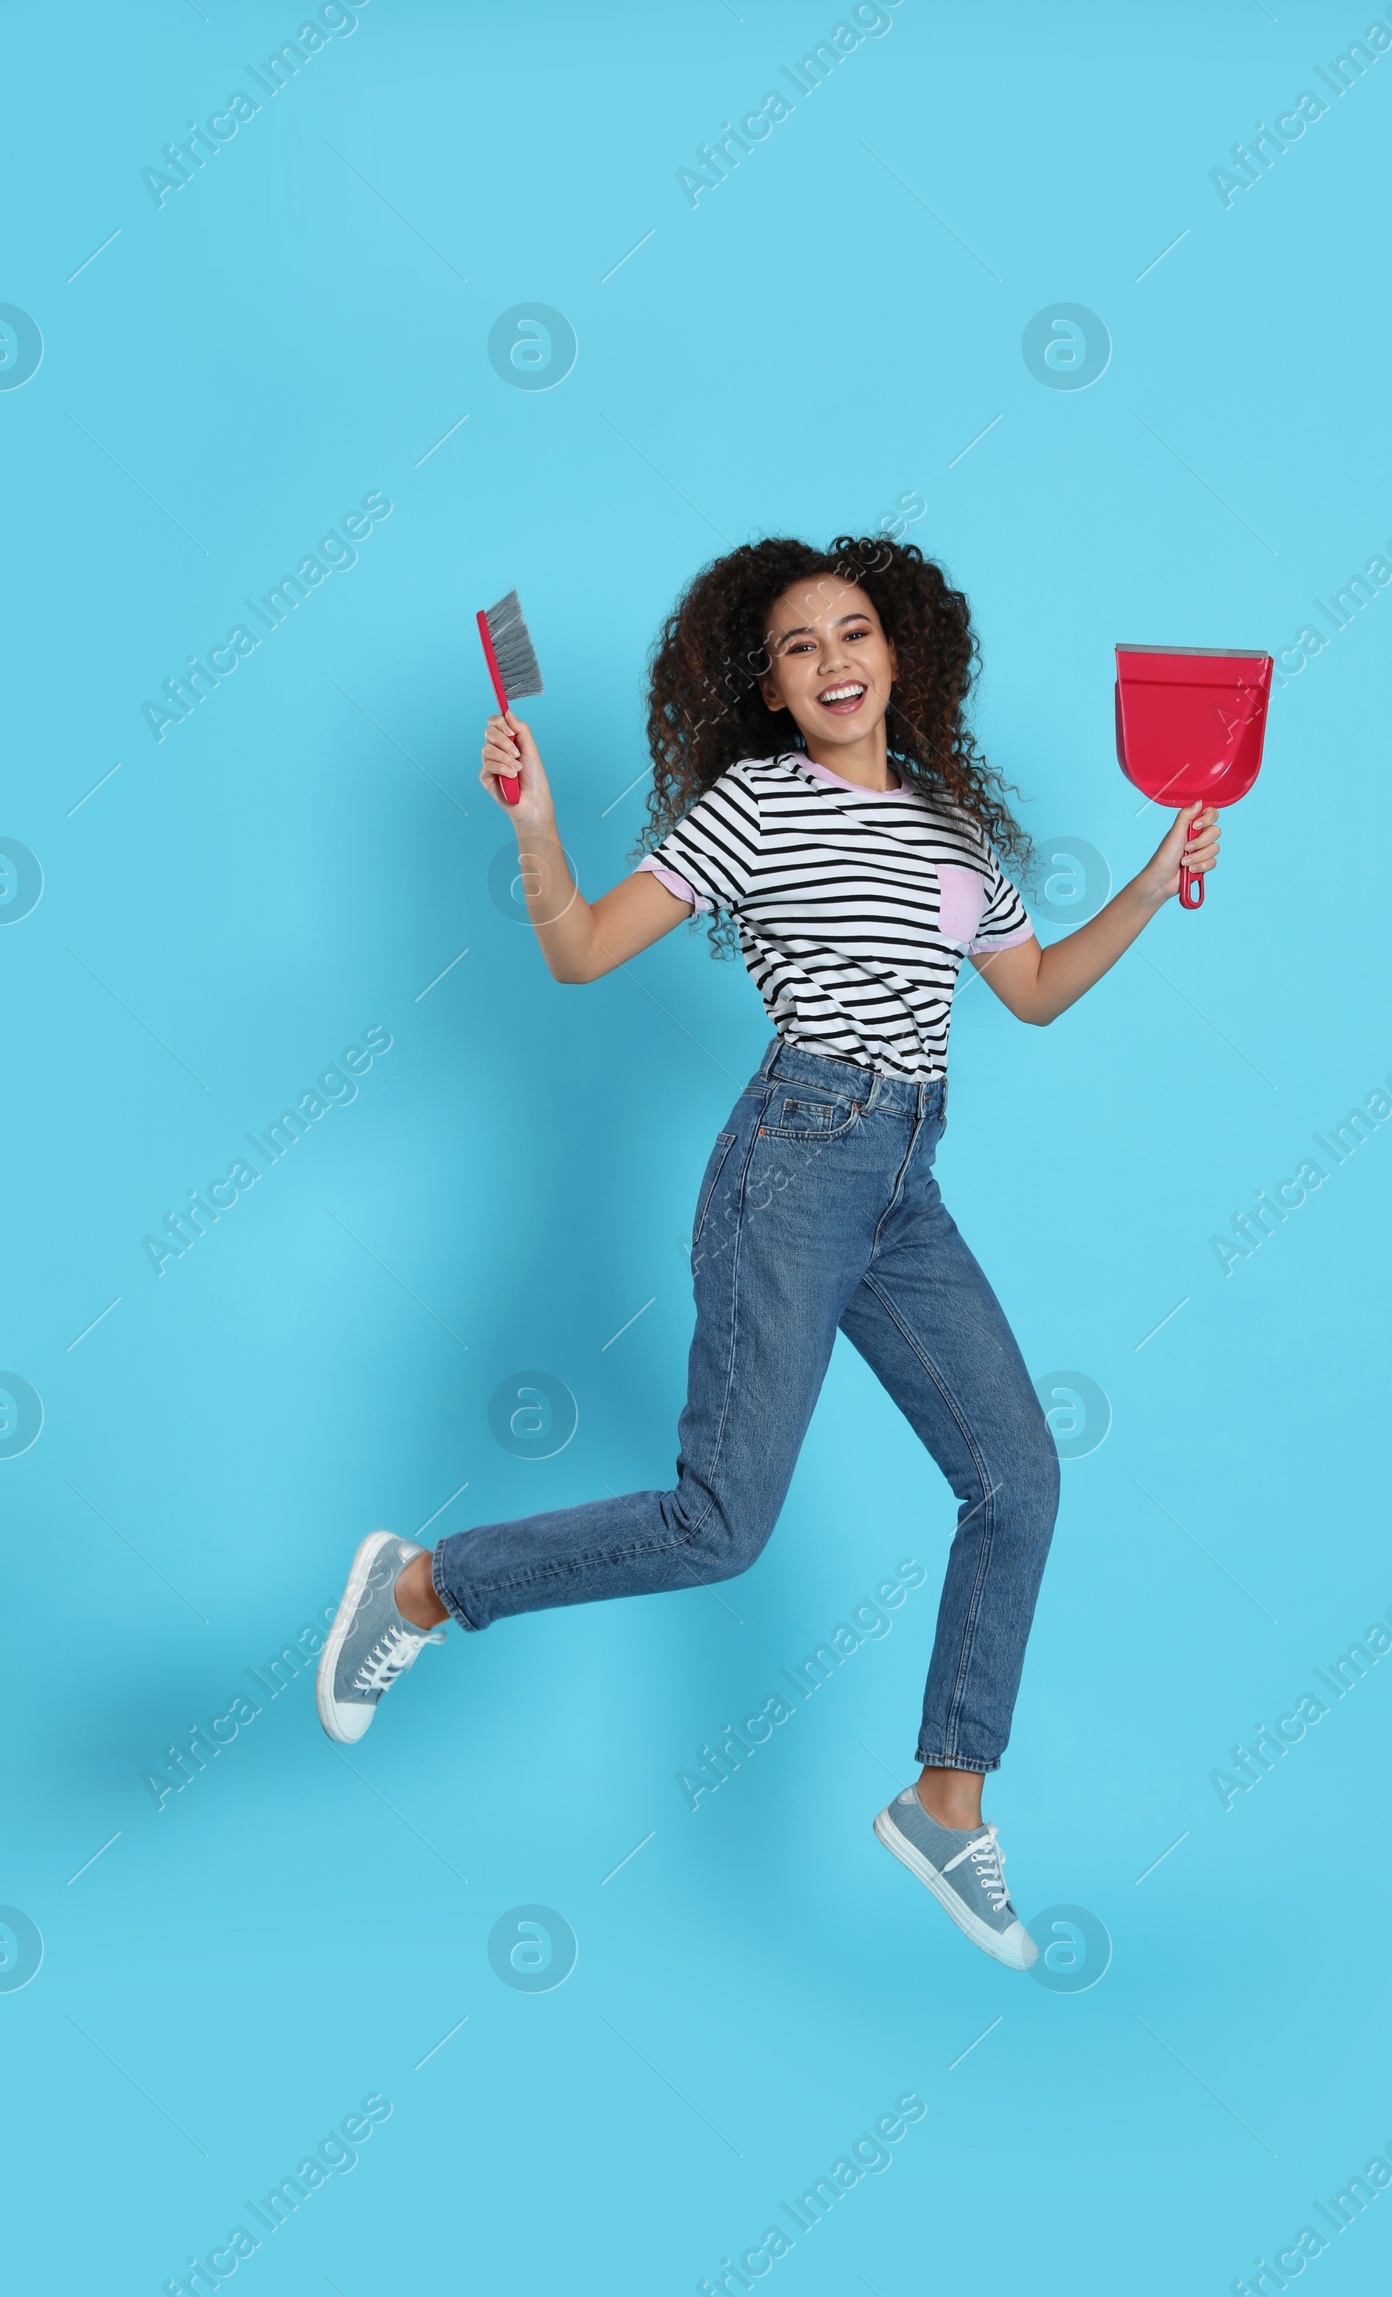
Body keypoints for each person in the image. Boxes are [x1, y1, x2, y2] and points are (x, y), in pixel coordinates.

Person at [316, 535, 1219, 1969]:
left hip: (905, 1180)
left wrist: (1155, 871)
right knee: (720, 1526)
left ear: (899, 653)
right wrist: (536, 826)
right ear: (775, 689)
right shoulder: (752, 806)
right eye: (800, 647)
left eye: (853, 632)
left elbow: (1033, 993)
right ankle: (425, 1585)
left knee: (1019, 1477)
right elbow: (582, 950)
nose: (834, 660)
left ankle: (945, 1800)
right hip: (795, 1161)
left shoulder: (947, 829)